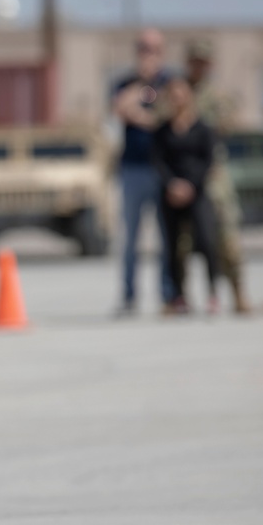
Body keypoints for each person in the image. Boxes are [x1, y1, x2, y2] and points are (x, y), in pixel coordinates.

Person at [182, 39, 251, 313]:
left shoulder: (217, 96)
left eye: (204, 62)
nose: (199, 67)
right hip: (186, 174)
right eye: (195, 61)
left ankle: (238, 292)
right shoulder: (178, 92)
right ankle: (182, 297)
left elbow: (230, 123)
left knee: (227, 235)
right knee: (184, 240)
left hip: (214, 174)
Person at [112, 27, 174, 315]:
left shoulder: (170, 82)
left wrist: (140, 115)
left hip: (163, 168)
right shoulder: (125, 81)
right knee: (131, 238)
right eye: (142, 48)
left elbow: (168, 114)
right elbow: (118, 108)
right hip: (133, 168)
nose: (148, 54)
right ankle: (128, 295)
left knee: (166, 236)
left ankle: (168, 294)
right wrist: (139, 93)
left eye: (153, 49)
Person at [152, 75, 221, 314]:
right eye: (173, 95)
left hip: (196, 192)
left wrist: (191, 185)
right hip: (171, 194)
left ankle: (213, 293)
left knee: (207, 241)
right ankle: (179, 296)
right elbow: (159, 161)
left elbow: (208, 160)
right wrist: (172, 184)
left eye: (182, 94)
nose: (178, 99)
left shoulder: (203, 128)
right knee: (173, 247)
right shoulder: (162, 130)